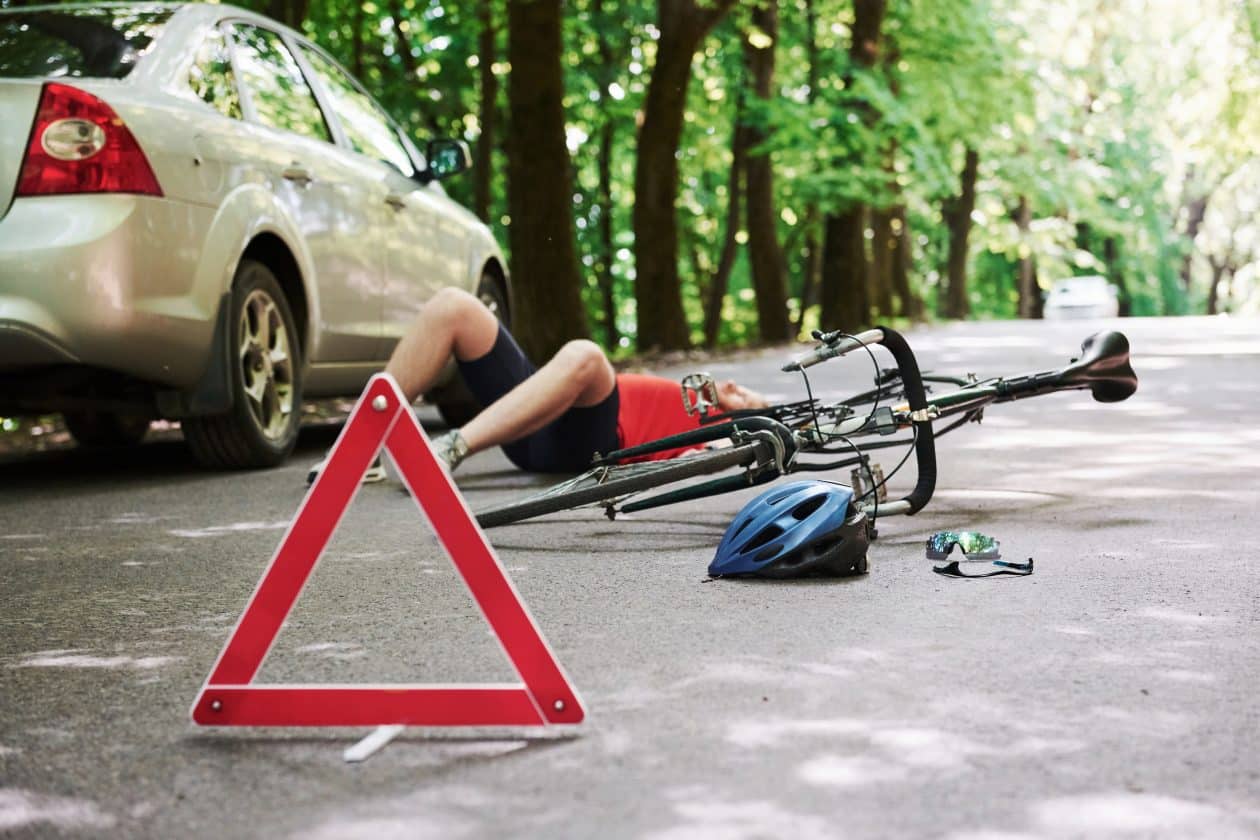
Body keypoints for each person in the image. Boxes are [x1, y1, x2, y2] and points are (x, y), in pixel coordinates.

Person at [307, 288, 767, 483]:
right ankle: (359, 447)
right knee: (455, 306)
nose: (734, 385)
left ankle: (450, 448)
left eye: (745, 396)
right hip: (533, 416)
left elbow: (720, 456)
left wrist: (732, 438)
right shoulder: (693, 396)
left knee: (587, 355)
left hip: (586, 440)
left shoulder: (715, 432)